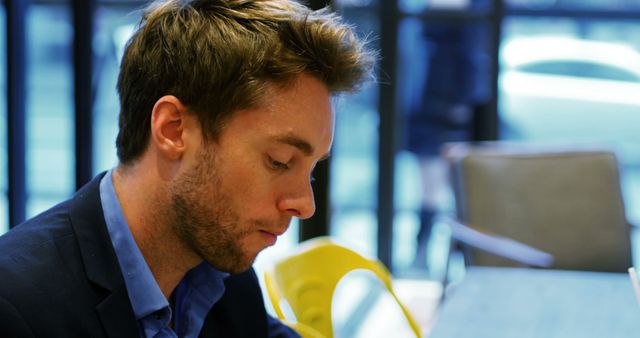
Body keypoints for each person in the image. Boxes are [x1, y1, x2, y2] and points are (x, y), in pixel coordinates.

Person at [0, 0, 375, 337]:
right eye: (279, 161)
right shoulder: (16, 309)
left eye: (309, 171)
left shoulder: (222, 276)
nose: (305, 205)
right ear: (173, 130)